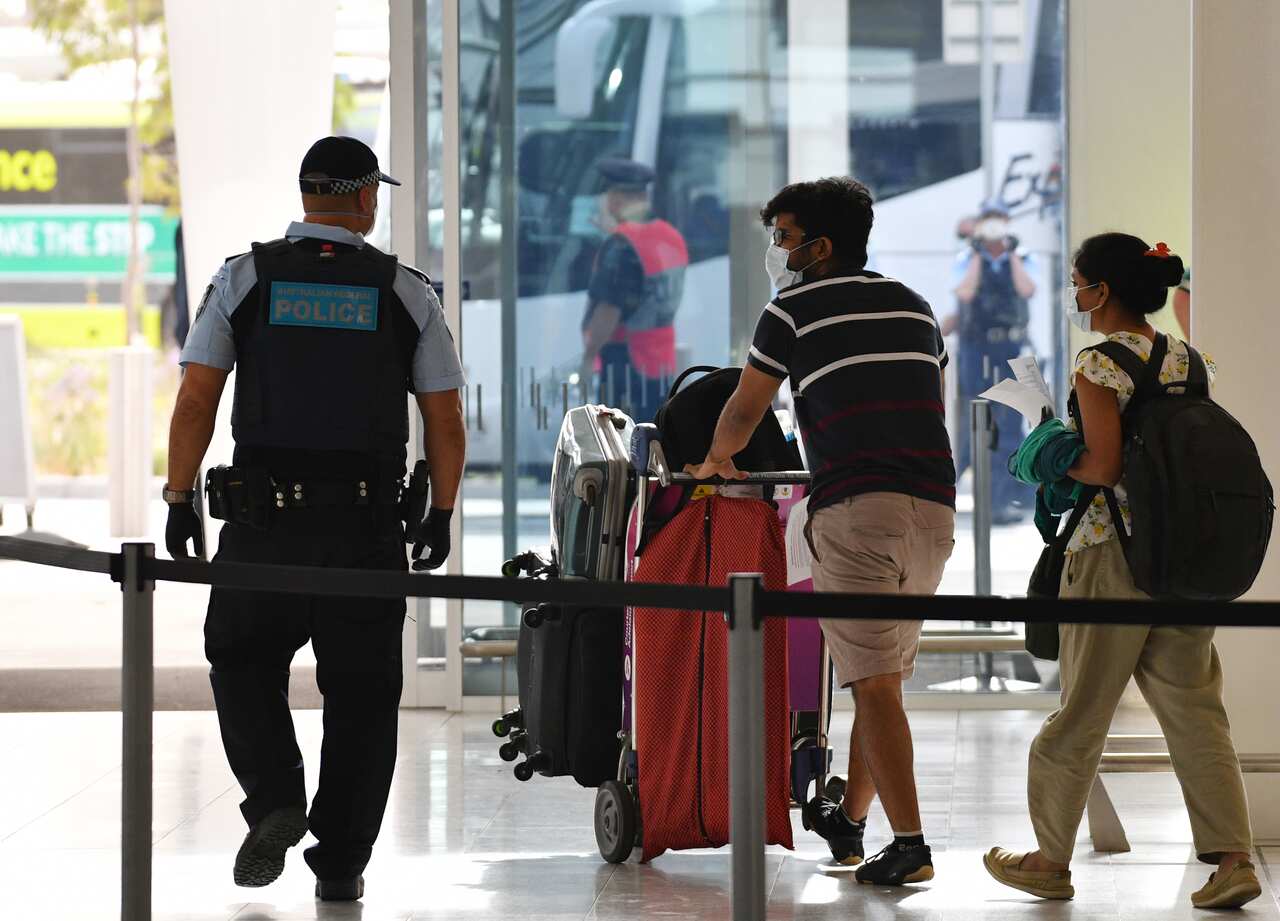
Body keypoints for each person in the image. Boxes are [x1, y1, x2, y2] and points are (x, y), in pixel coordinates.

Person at [161, 136, 466, 902]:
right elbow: (446, 419)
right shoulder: (405, 291)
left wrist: (178, 493)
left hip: (261, 526)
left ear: (307, 196)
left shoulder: (244, 278)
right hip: (366, 532)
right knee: (363, 694)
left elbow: (197, 398)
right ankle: (340, 863)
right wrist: (441, 510)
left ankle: (274, 799)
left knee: (241, 660)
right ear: (365, 197)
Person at [685, 177, 955, 886]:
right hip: (934, 509)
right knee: (882, 679)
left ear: (820, 245)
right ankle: (853, 824)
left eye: (783, 237)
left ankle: (914, 843)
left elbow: (747, 409)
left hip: (858, 507)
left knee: (873, 684)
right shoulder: (915, 304)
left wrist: (713, 463)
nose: (778, 252)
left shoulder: (792, 308)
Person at [984, 234, 1260, 910]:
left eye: (1079, 281)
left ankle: (1049, 858)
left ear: (1101, 290)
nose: (1074, 293)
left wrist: (1049, 452)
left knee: (1081, 708)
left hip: (1111, 552)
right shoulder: (1191, 360)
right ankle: (1232, 859)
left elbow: (1104, 466)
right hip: (1180, 553)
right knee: (1196, 712)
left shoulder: (1098, 361)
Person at [942, 200, 1037, 524]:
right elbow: (965, 293)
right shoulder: (967, 258)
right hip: (976, 349)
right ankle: (981, 498)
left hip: (1010, 345)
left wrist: (1009, 254)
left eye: (998, 220)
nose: (993, 226)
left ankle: (1007, 498)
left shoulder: (1022, 257)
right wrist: (978, 256)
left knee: (1011, 422)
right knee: (979, 420)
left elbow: (1027, 288)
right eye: (987, 220)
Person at [580, 157, 688, 422]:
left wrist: (588, 356)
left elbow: (608, 310)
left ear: (615, 198)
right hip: (661, 360)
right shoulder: (670, 236)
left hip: (626, 364)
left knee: (623, 443)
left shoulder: (621, 245)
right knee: (653, 437)